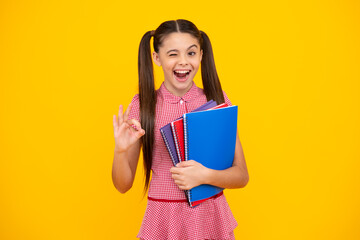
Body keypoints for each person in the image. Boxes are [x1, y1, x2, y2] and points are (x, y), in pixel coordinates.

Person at [112, 19, 249, 240]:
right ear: (157, 58)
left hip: (210, 218)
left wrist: (204, 175)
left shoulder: (218, 101)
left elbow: (241, 175)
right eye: (173, 54)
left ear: (202, 55)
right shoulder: (142, 106)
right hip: (164, 221)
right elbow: (122, 185)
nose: (183, 62)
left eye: (191, 53)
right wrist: (119, 150)